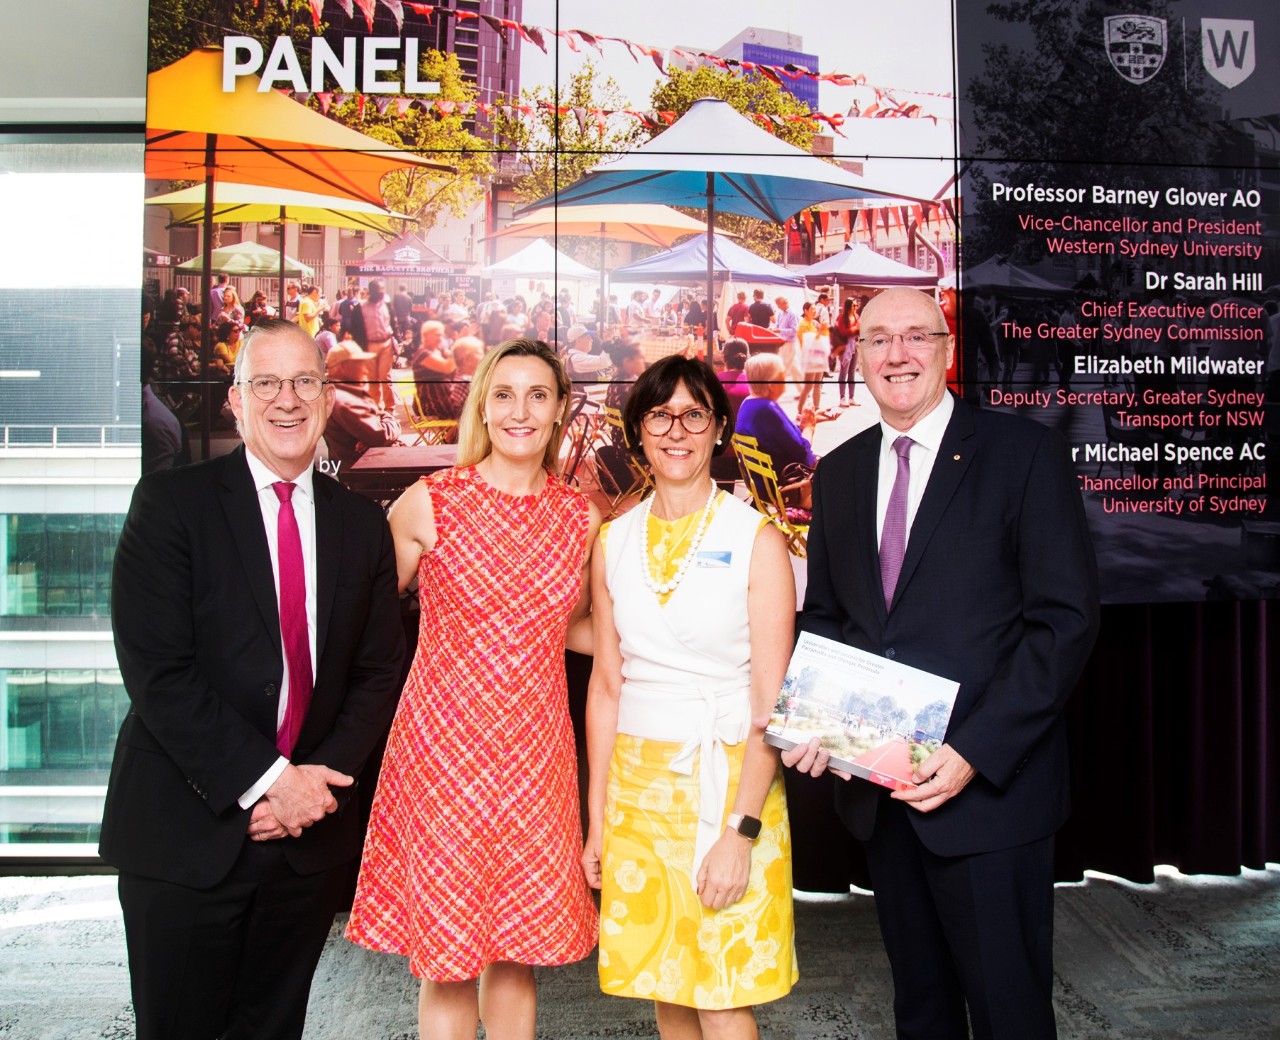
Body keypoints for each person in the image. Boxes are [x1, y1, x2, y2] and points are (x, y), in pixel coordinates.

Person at [784, 287, 1100, 1040]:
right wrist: (821, 719)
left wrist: (972, 755)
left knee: (1008, 1012)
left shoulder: (1023, 455)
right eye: (879, 340)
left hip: (990, 795)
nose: (898, 354)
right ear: (856, 357)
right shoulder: (841, 470)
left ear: (946, 348)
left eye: (915, 337)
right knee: (920, 1009)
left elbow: (1065, 623)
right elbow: (830, 614)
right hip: (884, 793)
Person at [99, 319, 404, 1040]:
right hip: (185, 833)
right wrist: (274, 781)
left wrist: (315, 782)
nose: (287, 400)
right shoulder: (171, 506)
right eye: (265, 382)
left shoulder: (361, 526)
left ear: (328, 399)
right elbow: (159, 673)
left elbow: (379, 669)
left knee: (272, 1029)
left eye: (304, 381)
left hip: (302, 845)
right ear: (236, 401)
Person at [347, 338, 601, 1040]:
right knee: (450, 960)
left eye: (538, 395)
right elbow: (361, 630)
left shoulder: (579, 517)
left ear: (557, 415)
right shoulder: (431, 503)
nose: (521, 410)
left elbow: (573, 628)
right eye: (505, 394)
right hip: (443, 758)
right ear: (483, 408)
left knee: (519, 955)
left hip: (536, 758)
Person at [583, 354, 798, 1038]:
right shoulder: (613, 541)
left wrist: (741, 832)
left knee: (722, 988)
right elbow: (608, 683)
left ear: (719, 429)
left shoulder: (757, 540)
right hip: (639, 790)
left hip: (731, 782)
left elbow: (774, 704)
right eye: (660, 415)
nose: (677, 430)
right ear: (638, 431)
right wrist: (596, 819)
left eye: (694, 414)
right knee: (666, 981)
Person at [735, 353, 819, 475]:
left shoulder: (748, 403)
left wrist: (807, 422)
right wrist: (809, 427)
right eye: (782, 374)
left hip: (762, 480)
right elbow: (801, 452)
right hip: (788, 481)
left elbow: (783, 437)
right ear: (771, 383)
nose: (785, 378)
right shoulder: (767, 408)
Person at [323, 341, 403, 470]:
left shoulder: (341, 393)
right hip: (371, 471)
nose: (366, 370)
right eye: (359, 365)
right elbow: (380, 436)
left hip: (369, 464)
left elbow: (375, 434)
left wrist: (374, 431)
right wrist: (391, 420)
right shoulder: (344, 399)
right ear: (343, 367)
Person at [345, 278, 398, 412]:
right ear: (371, 292)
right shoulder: (360, 308)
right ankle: (376, 406)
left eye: (382, 291)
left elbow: (394, 324)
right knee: (373, 378)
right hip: (369, 345)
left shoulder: (388, 305)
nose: (381, 293)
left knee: (385, 377)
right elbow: (353, 329)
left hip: (386, 344)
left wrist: (399, 341)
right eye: (378, 291)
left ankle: (390, 407)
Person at [833, 296, 860, 407]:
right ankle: (842, 397)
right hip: (845, 346)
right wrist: (855, 329)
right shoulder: (841, 318)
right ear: (848, 306)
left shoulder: (856, 316)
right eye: (854, 305)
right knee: (844, 371)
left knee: (852, 371)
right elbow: (843, 332)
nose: (856, 307)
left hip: (855, 345)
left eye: (856, 305)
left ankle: (851, 397)